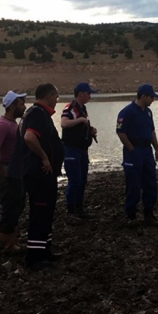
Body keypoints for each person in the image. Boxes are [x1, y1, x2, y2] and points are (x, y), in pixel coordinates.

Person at [8, 83, 64, 271]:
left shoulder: (39, 114)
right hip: (38, 174)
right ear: (49, 97)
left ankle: (45, 250)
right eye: (56, 97)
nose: (57, 100)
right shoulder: (37, 114)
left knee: (47, 213)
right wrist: (44, 158)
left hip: (45, 175)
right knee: (39, 213)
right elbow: (30, 138)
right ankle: (34, 258)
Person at [115, 83, 158, 227]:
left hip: (146, 150)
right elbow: (120, 132)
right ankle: (131, 216)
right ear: (143, 96)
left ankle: (149, 213)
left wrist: (157, 149)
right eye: (151, 97)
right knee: (133, 184)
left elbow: (152, 131)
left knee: (150, 182)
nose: (153, 100)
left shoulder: (148, 112)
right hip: (134, 151)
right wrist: (131, 149)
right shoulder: (127, 112)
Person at [0, 90, 27, 252]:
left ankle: (10, 240)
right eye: (21, 104)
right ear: (12, 106)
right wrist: (2, 170)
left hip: (16, 170)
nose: (24, 107)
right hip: (9, 170)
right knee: (10, 206)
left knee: (17, 205)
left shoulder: (12, 124)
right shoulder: (2, 125)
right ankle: (6, 243)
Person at [62, 82, 98, 218]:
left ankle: (80, 207)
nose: (90, 96)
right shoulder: (70, 108)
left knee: (82, 180)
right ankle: (70, 210)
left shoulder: (83, 109)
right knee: (75, 180)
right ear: (81, 94)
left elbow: (82, 126)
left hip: (83, 150)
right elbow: (64, 123)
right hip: (72, 149)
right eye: (88, 94)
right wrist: (80, 120)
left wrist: (91, 130)